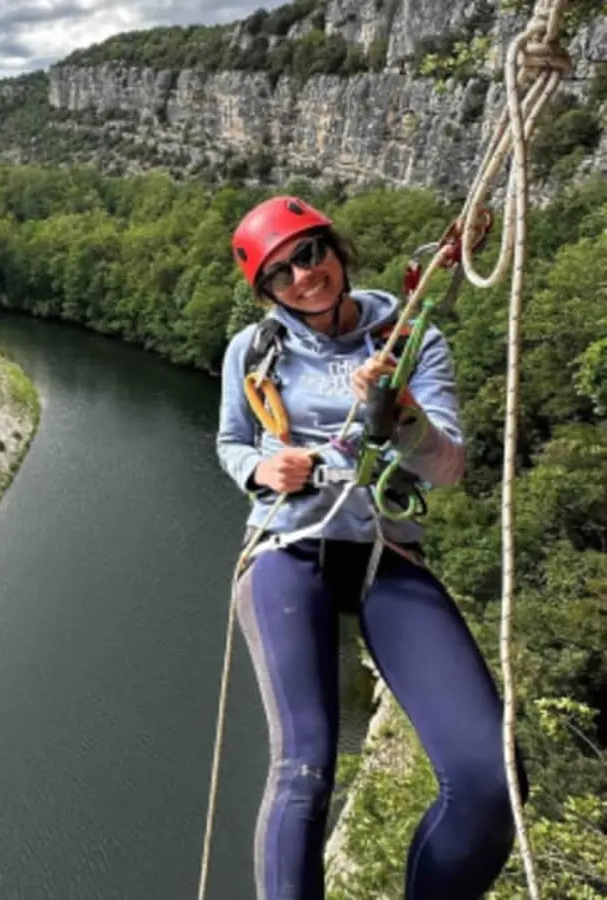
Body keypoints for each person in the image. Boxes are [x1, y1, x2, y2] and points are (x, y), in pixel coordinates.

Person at [215, 195, 527, 900]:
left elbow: (448, 468)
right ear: (267, 292)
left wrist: (402, 411)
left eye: (310, 254)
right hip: (289, 547)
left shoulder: (409, 339)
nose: (304, 276)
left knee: (490, 780)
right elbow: (233, 441)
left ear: (337, 249)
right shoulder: (253, 351)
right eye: (282, 273)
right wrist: (261, 469)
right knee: (304, 771)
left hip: (387, 553)